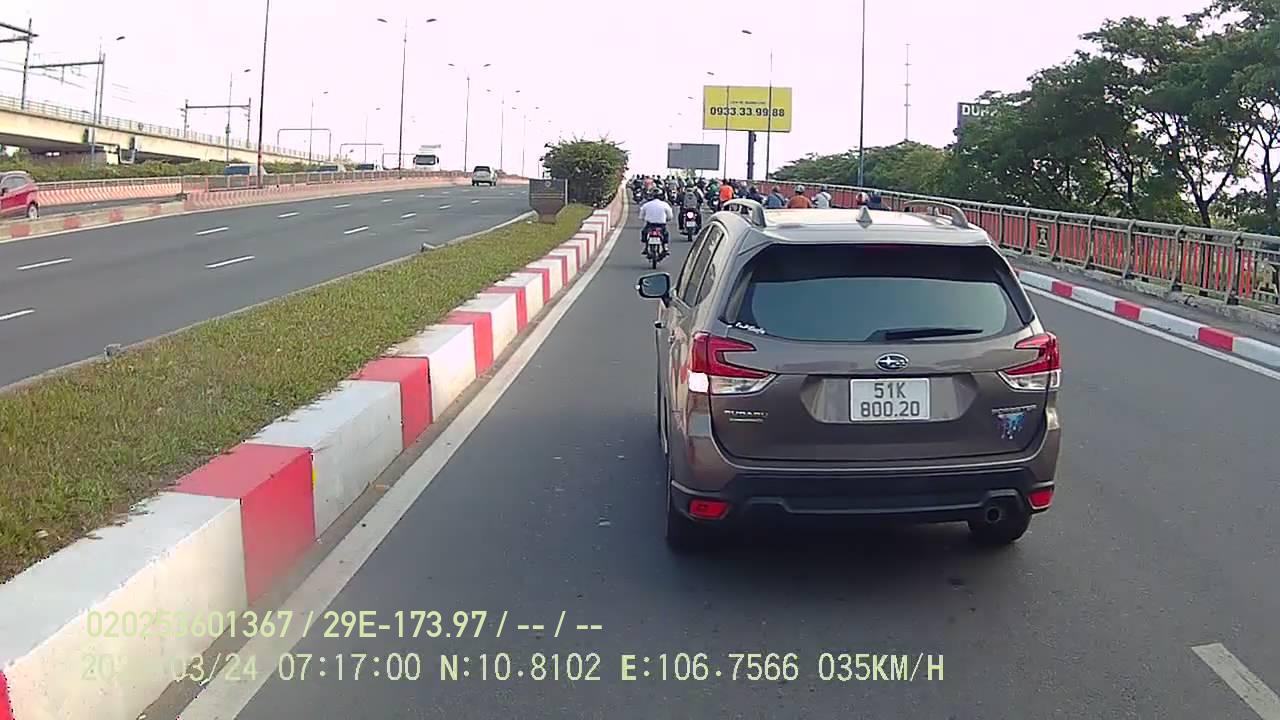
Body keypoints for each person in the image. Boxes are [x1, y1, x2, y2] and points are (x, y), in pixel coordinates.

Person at [638, 187, 673, 254]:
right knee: (665, 234)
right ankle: (665, 247)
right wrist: (666, 219)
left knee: (644, 233)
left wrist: (645, 218)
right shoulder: (665, 205)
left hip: (650, 225)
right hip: (661, 225)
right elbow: (670, 216)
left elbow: (641, 216)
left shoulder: (646, 205)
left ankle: (646, 247)